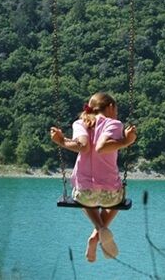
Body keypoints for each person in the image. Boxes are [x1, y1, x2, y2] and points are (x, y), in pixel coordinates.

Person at [50, 92, 137, 262]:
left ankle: (99, 228)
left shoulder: (80, 123)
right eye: (116, 110)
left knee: (82, 196)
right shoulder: (114, 123)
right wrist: (127, 141)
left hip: (84, 194)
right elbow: (101, 147)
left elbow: (83, 146)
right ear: (111, 107)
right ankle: (97, 235)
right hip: (111, 195)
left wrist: (61, 141)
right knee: (119, 199)